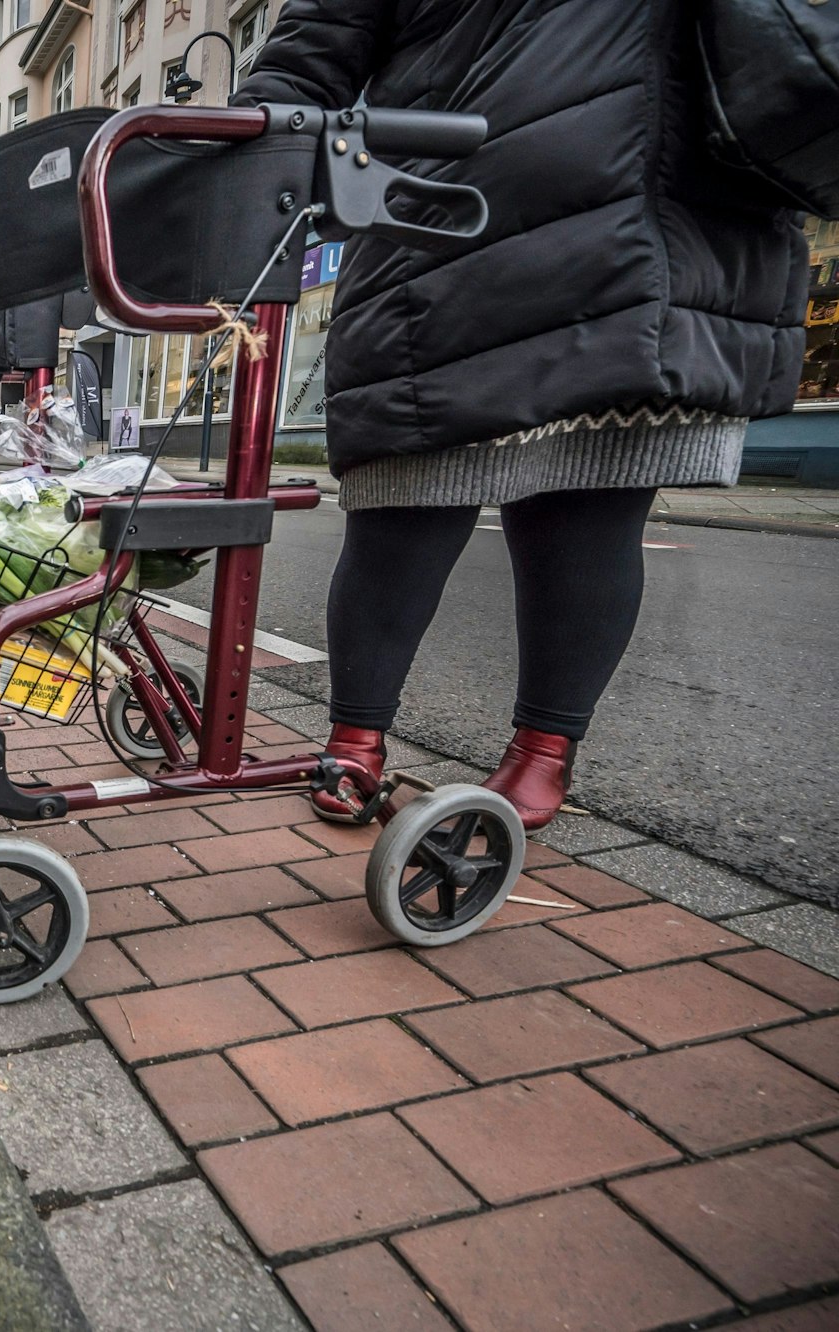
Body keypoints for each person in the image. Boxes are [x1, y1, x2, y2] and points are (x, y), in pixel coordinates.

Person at [235, 0, 809, 828]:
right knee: (402, 501)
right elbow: (316, 45)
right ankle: (356, 736)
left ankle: (542, 752)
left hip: (650, 201)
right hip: (442, 208)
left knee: (591, 499)